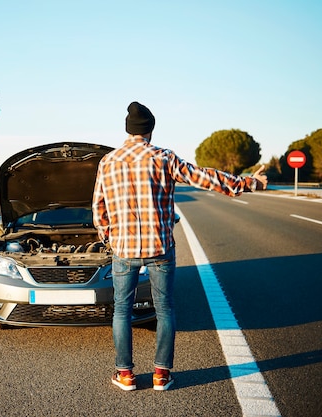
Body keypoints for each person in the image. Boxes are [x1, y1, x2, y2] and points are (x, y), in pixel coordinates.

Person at [92, 101, 267, 391]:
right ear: (150, 131)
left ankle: (125, 375)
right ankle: (162, 374)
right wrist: (247, 183)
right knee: (165, 309)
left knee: (121, 310)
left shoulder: (108, 161)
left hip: (124, 250)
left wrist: (109, 237)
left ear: (127, 130)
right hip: (160, 248)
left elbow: (98, 208)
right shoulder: (163, 157)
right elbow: (204, 177)